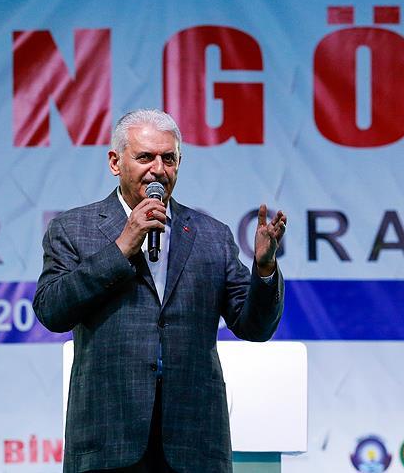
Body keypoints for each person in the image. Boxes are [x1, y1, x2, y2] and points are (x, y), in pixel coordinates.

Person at [33, 109, 286, 473]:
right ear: (115, 162)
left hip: (194, 440)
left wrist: (264, 268)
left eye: (168, 158)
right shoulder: (73, 228)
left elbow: (255, 327)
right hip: (108, 437)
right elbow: (51, 311)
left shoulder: (212, 235)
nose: (158, 169)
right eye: (145, 157)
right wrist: (121, 247)